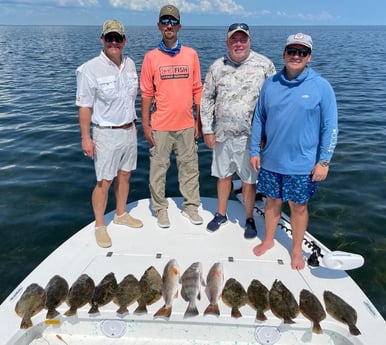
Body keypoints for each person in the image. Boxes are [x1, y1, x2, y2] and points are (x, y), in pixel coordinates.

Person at [249, 33, 338, 269]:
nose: (296, 56)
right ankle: (268, 239)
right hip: (271, 160)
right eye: (292, 51)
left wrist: (324, 161)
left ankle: (296, 249)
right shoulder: (270, 84)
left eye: (302, 52)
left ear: (309, 56)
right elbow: (259, 118)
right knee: (272, 202)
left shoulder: (321, 86)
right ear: (284, 54)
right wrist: (254, 150)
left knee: (298, 207)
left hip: (302, 164)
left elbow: (331, 127)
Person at [200, 23, 276, 238]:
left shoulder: (265, 65)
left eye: (243, 39)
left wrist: (267, 134)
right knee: (223, 176)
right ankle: (221, 214)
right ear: (228, 42)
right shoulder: (216, 66)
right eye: (234, 40)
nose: (239, 43)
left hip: (251, 138)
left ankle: (249, 217)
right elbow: (206, 99)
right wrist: (207, 129)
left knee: (249, 180)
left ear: (249, 41)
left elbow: (273, 103)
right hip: (222, 134)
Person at [76, 19, 143, 248]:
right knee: (104, 181)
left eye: (118, 38)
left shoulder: (132, 64)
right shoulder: (90, 69)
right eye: (109, 38)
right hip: (105, 133)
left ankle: (121, 213)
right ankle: (99, 225)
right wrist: (86, 137)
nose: (113, 42)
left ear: (124, 41)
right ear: (102, 39)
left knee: (125, 175)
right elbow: (84, 106)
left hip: (129, 129)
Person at [140, 4, 203, 228]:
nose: (169, 25)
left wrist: (199, 121)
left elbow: (197, 89)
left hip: (187, 124)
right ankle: (160, 209)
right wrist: (146, 124)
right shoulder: (151, 57)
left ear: (179, 26)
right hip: (160, 126)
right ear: (159, 25)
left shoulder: (191, 54)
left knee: (189, 168)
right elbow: (147, 93)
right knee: (158, 170)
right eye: (165, 21)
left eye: (173, 21)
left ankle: (191, 207)